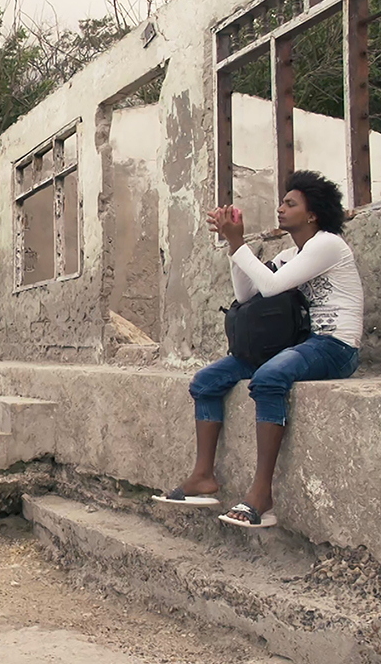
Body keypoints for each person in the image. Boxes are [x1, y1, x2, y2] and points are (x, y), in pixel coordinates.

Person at [155, 170, 364, 528]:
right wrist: (232, 244)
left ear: (312, 215)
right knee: (206, 382)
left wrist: (239, 242)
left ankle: (261, 494)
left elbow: (270, 287)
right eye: (283, 202)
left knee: (268, 379)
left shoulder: (328, 245)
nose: (281, 208)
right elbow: (247, 293)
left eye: (290, 203)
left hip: (336, 347)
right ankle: (203, 476)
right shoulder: (291, 253)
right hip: (303, 345)